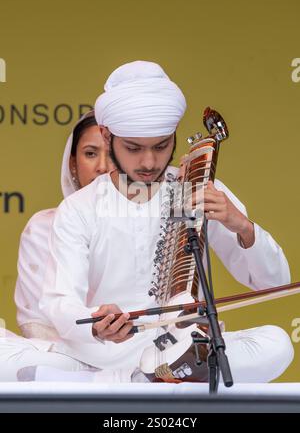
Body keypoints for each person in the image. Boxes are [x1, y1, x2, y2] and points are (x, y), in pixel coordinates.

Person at [25, 61, 295, 383]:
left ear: (174, 137)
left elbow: (273, 283)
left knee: (277, 343)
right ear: (107, 136)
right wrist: (95, 323)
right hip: (103, 357)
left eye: (161, 145)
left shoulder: (197, 189)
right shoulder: (79, 209)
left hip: (184, 345)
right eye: (134, 148)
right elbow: (60, 301)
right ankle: (142, 379)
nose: (149, 162)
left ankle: (153, 377)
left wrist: (242, 226)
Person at [0, 111, 112, 381]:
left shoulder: (152, 222)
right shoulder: (43, 226)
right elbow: (37, 325)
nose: (102, 166)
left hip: (139, 352)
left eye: (112, 154)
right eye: (90, 153)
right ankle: (96, 376)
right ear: (73, 164)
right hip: (63, 357)